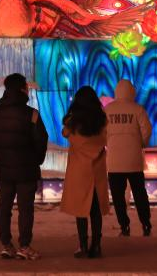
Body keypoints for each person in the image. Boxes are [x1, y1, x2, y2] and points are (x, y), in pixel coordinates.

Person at [0, 73, 48, 260]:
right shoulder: (32, 114)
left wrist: (0, 152)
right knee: (25, 209)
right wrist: (36, 160)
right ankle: (24, 246)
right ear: (22, 89)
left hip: (3, 168)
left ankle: (6, 244)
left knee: (4, 206)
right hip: (27, 170)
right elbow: (41, 140)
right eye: (26, 86)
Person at [60, 86, 110, 259]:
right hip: (96, 172)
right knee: (95, 211)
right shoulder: (102, 120)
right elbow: (106, 138)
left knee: (81, 211)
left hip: (79, 172)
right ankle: (96, 246)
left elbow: (64, 132)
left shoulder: (72, 122)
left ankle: (82, 245)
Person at [104, 79, 152, 237]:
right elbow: (146, 130)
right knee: (140, 194)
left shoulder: (108, 110)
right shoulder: (138, 109)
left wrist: (109, 144)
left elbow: (102, 133)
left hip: (114, 162)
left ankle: (124, 226)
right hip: (134, 161)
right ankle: (146, 224)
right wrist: (141, 144)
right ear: (132, 92)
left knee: (118, 197)